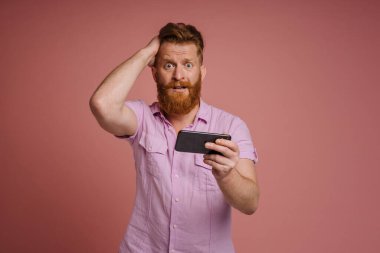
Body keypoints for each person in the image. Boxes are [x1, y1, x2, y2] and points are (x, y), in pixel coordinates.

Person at [89, 22, 260, 253]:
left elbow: (250, 203)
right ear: (154, 72)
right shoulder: (142, 119)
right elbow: (102, 104)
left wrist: (228, 174)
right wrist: (145, 53)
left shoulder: (231, 126)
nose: (178, 75)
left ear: (201, 72)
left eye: (188, 65)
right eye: (168, 65)